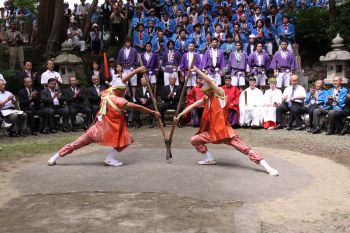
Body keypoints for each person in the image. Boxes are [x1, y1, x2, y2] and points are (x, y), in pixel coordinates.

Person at [173, 67, 278, 176]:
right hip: (213, 134)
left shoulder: (220, 95)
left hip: (226, 133)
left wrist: (197, 70)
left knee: (246, 149)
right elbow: (193, 105)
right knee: (195, 140)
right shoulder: (207, 99)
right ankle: (208, 158)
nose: (204, 93)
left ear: (211, 90)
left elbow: (209, 82)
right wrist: (180, 115)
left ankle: (268, 167)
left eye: (206, 91)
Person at [47, 67, 161, 167]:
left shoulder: (106, 93)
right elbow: (138, 107)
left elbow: (119, 83)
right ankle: (110, 158)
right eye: (123, 89)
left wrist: (136, 71)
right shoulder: (119, 100)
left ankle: (55, 157)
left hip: (95, 129)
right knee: (128, 140)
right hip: (107, 131)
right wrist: (153, 112)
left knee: (76, 144)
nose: (124, 90)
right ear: (119, 90)